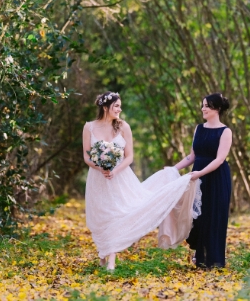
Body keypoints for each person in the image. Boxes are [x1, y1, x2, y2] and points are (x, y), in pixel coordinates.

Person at [83, 91, 201, 271]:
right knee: (101, 214)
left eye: (120, 106)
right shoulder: (89, 127)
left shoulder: (123, 127)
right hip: (98, 178)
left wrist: (114, 170)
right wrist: (100, 167)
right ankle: (103, 252)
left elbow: (129, 157)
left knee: (117, 213)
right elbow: (86, 155)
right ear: (105, 107)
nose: (120, 109)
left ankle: (112, 260)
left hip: (120, 177)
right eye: (116, 106)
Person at [173, 93, 232, 268]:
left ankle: (213, 260)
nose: (203, 108)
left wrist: (199, 173)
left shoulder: (225, 131)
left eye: (207, 105)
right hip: (197, 178)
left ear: (217, 109)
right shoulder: (199, 129)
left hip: (217, 178)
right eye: (203, 105)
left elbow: (219, 159)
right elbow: (191, 157)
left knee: (214, 216)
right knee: (197, 217)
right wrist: (173, 169)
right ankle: (200, 256)